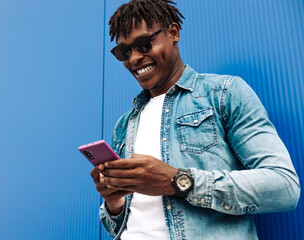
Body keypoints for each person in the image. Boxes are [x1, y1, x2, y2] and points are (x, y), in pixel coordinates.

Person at [90, 0, 301, 239]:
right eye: (124, 52)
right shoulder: (124, 125)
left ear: (173, 33)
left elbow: (284, 187)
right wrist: (113, 203)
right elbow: (120, 224)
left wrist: (177, 181)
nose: (134, 58)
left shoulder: (223, 94)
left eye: (144, 44)